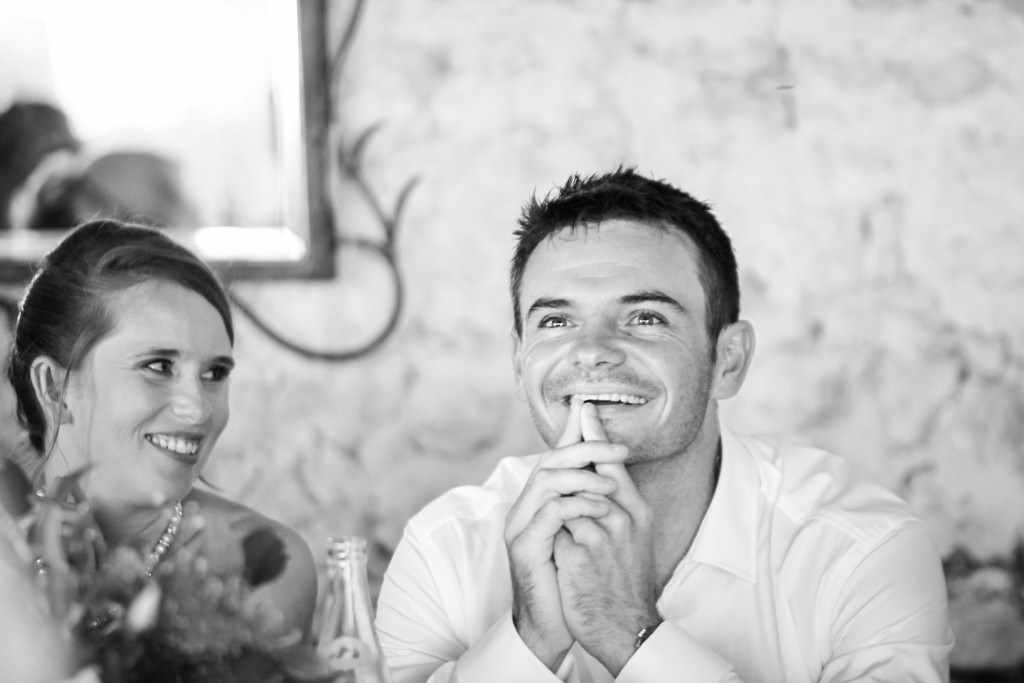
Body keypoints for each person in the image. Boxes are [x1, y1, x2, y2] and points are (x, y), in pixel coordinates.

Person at [375, 169, 953, 682]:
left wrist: (630, 634)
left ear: (727, 361)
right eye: (555, 319)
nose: (593, 351)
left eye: (645, 317)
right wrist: (530, 641)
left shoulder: (857, 549)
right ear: (520, 358)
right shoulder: (445, 548)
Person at [5, 219, 317, 645]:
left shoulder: (264, 565)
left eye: (214, 373)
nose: (197, 410)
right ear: (54, 388)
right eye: (158, 367)